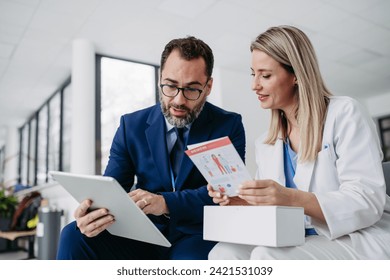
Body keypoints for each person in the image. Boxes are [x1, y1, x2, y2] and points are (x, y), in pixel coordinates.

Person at [208, 25, 390, 260]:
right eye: (253, 74)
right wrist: (243, 202)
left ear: (295, 75)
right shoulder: (266, 142)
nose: (255, 85)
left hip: (359, 235)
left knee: (268, 256)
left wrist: (289, 198)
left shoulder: (344, 113)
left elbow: (366, 201)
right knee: (222, 253)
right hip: (297, 235)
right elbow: (273, 212)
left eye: (265, 75)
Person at [56, 36, 246, 260]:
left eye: (192, 90)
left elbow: (226, 192)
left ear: (208, 87)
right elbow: (113, 187)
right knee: (73, 234)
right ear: (160, 79)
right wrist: (92, 214)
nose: (178, 100)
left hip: (197, 233)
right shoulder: (131, 126)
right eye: (170, 86)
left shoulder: (227, 125)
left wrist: (165, 202)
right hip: (143, 231)